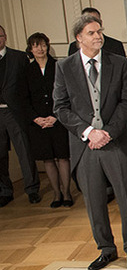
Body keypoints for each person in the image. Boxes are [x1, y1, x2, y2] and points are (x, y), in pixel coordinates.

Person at [53, 13, 127, 270]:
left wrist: (108, 133)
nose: (98, 36)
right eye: (92, 33)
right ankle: (106, 250)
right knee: (94, 201)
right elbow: (60, 107)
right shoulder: (64, 67)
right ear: (79, 38)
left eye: (99, 31)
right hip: (85, 146)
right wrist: (89, 132)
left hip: (115, 142)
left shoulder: (119, 63)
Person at [25, 33, 72, 208]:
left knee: (63, 157)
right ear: (30, 49)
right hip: (38, 122)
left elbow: (66, 93)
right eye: (36, 46)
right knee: (48, 159)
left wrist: (56, 116)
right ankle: (56, 194)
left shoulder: (59, 66)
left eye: (43, 45)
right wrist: (36, 118)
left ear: (48, 46)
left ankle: (67, 193)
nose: (40, 49)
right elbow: (24, 98)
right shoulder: (27, 71)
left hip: (58, 119)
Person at [0, 24, 41, 206]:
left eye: (0, 36)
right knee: (0, 155)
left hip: (15, 111)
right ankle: (5, 191)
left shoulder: (18, 57)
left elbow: (28, 86)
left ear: (5, 36)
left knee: (24, 150)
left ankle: (32, 189)